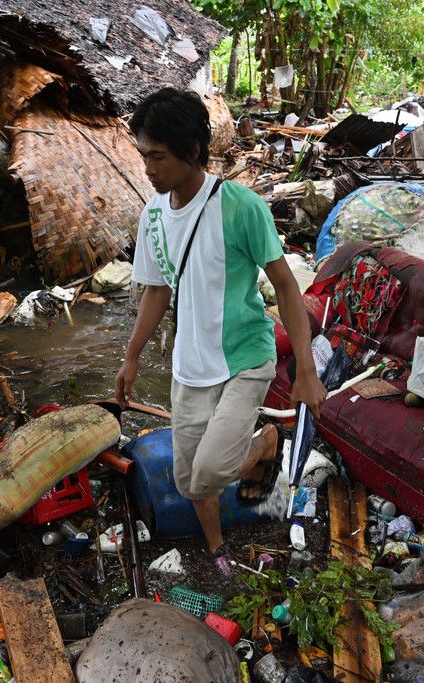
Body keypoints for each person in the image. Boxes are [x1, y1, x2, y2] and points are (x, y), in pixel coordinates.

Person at [114, 88, 326, 577]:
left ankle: (266, 441)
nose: (148, 168)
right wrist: (131, 358)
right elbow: (156, 292)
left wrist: (306, 371)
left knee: (211, 470)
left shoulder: (239, 206)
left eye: (158, 157)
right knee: (191, 483)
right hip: (190, 365)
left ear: (192, 150)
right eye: (144, 156)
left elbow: (286, 286)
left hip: (244, 358)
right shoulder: (153, 217)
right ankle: (216, 549)